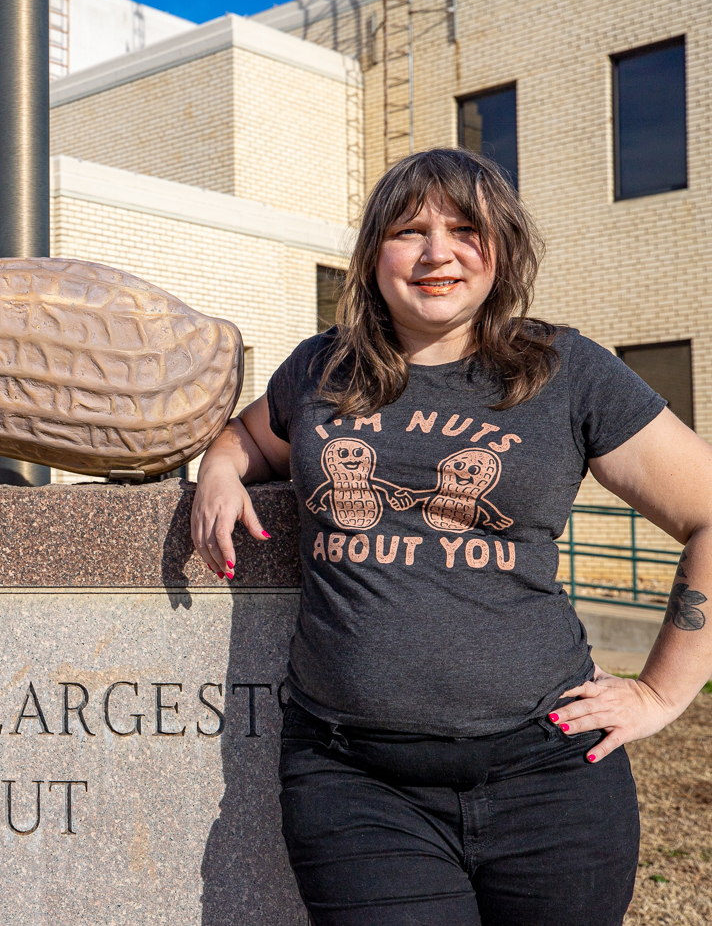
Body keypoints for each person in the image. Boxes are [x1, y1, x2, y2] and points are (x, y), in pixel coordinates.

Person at [190, 147, 712, 926]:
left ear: (500, 246)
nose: (438, 252)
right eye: (410, 230)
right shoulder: (319, 370)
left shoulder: (565, 370)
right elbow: (248, 434)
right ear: (374, 258)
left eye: (464, 228)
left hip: (552, 782)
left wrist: (663, 690)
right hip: (358, 785)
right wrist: (220, 467)